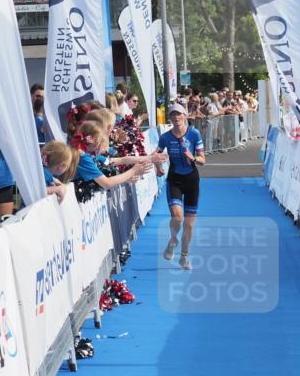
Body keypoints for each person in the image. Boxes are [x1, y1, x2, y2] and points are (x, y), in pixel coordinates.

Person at [155, 103, 205, 270]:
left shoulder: (194, 133)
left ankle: (184, 256)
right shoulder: (165, 137)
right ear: (170, 118)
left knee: (189, 224)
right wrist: (158, 167)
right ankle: (172, 240)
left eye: (179, 114)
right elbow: (156, 155)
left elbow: (203, 160)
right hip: (174, 180)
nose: (176, 117)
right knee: (177, 217)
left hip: (192, 180)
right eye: (173, 114)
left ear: (185, 116)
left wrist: (193, 158)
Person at [71, 120, 152, 193]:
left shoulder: (91, 154)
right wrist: (133, 171)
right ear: (94, 142)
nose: (104, 150)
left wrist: (150, 158)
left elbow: (119, 160)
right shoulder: (83, 157)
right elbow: (106, 183)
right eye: (102, 144)